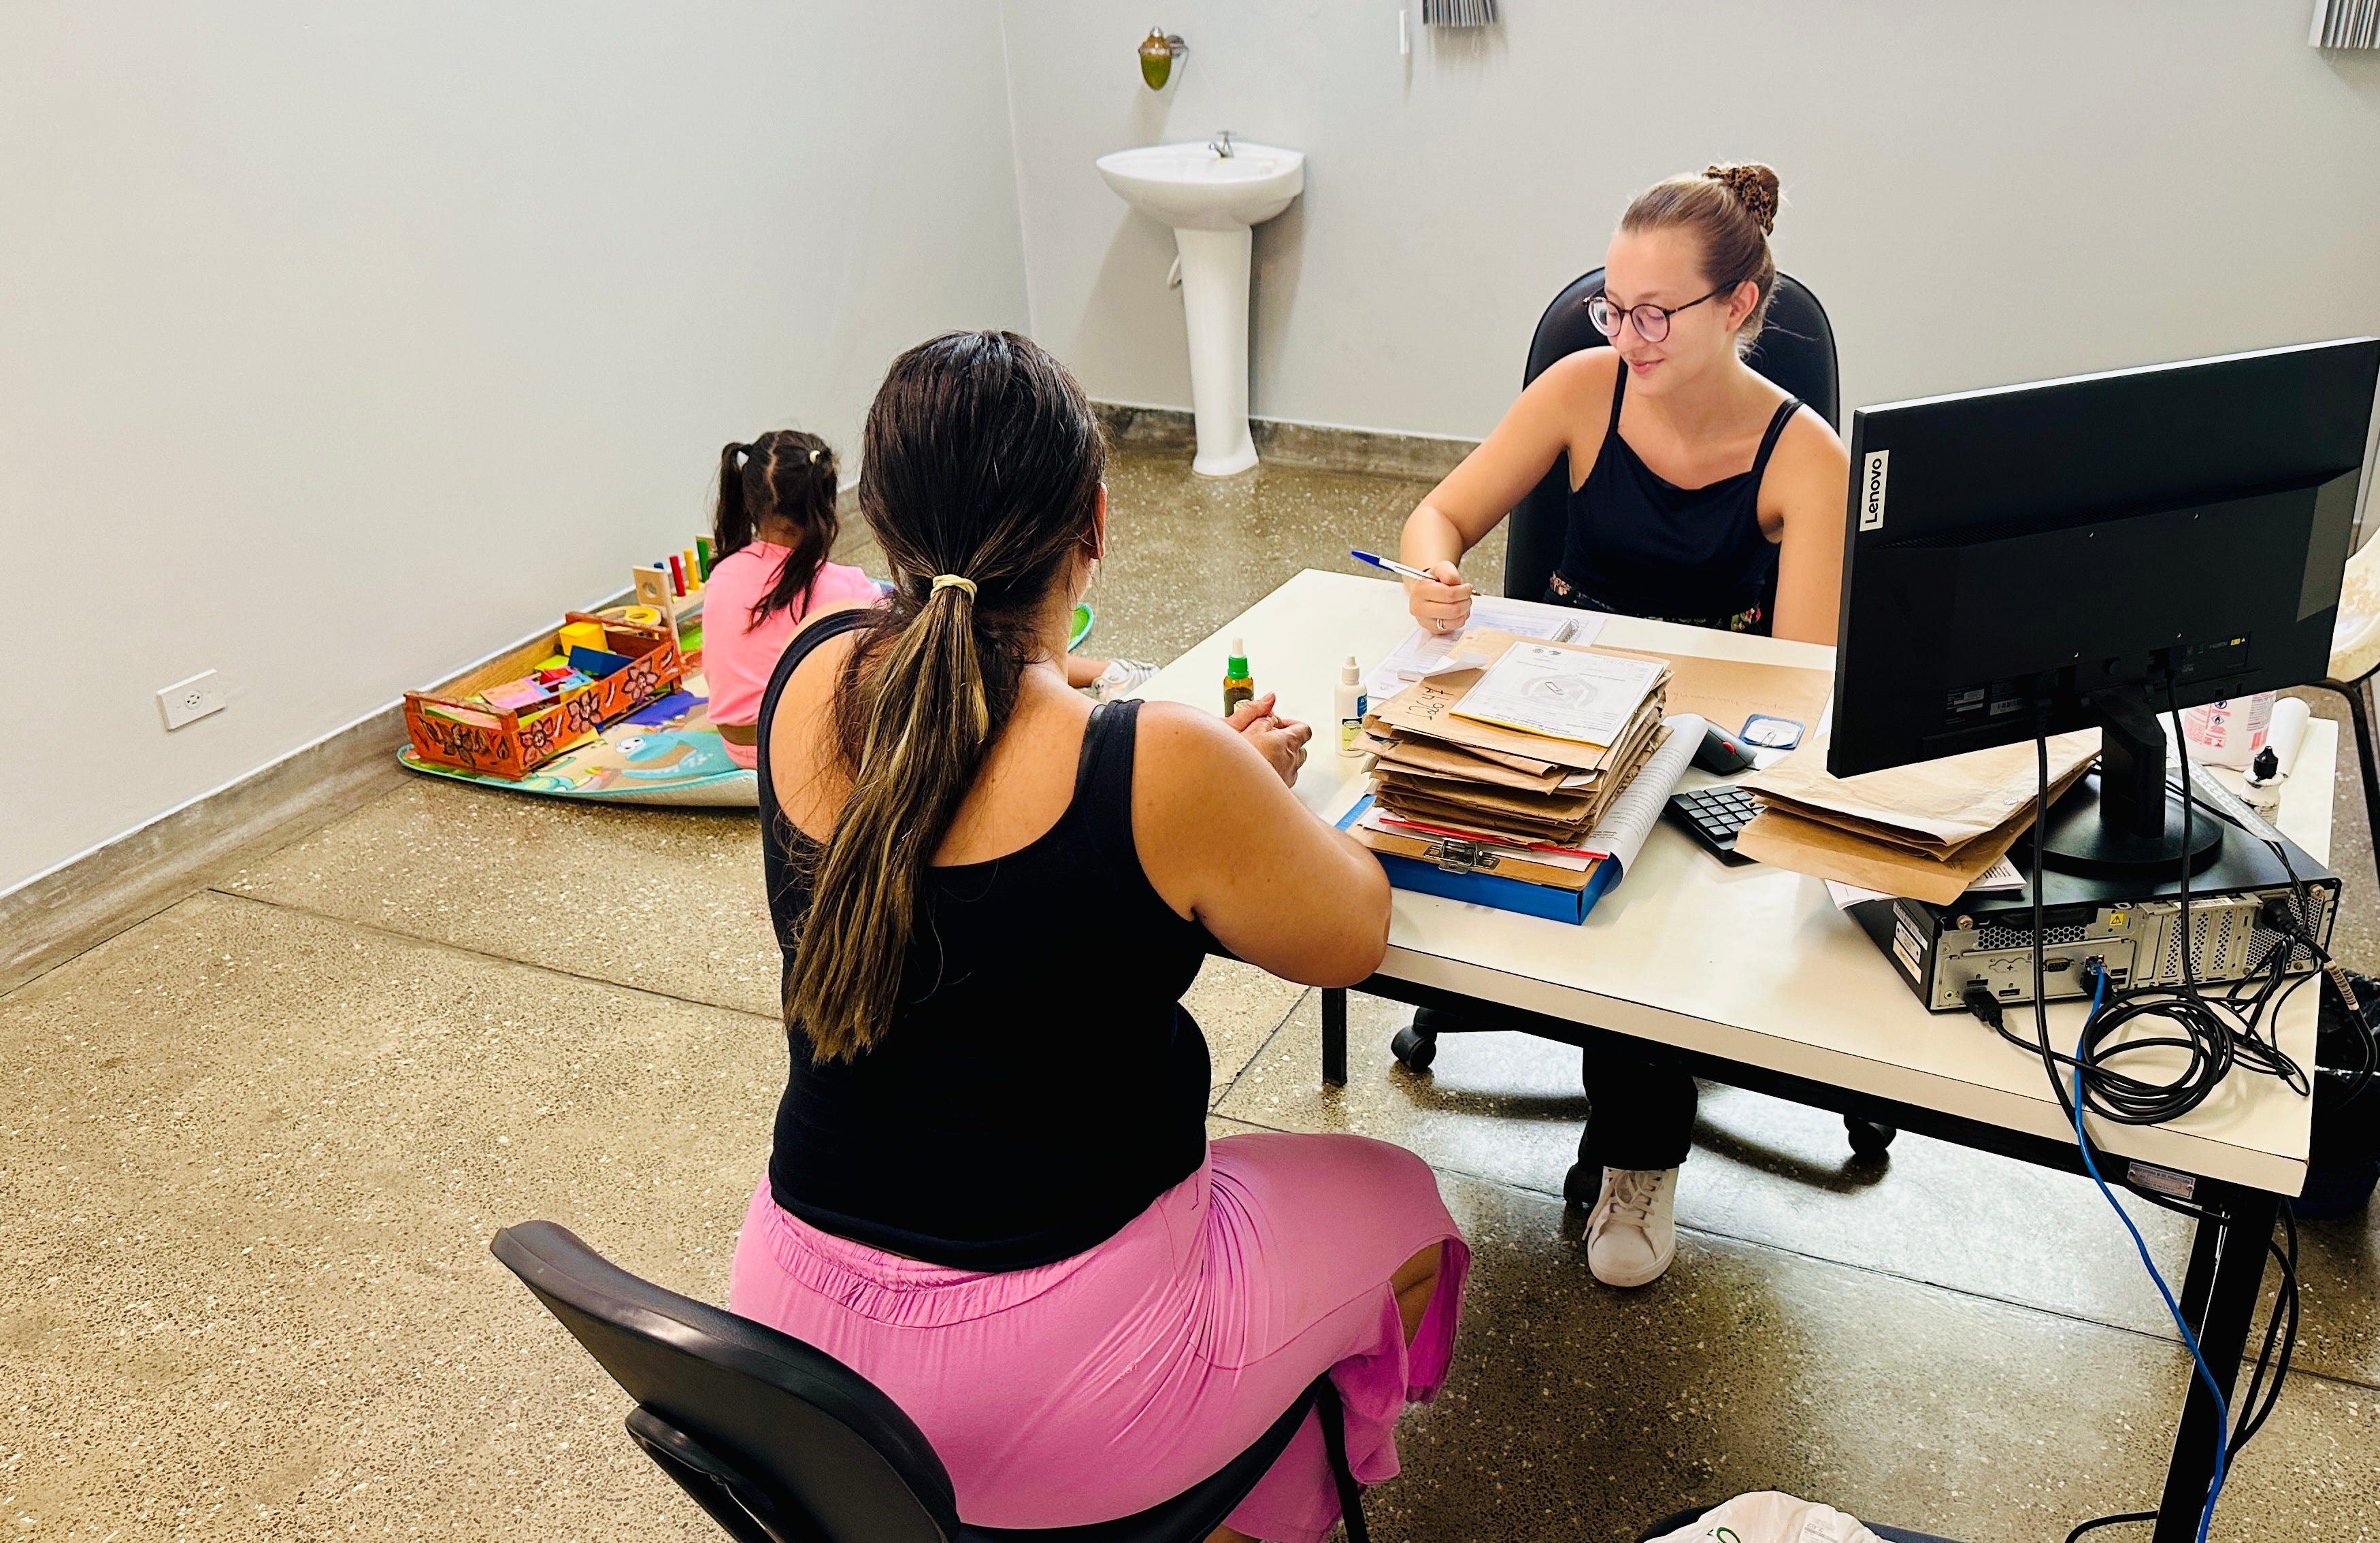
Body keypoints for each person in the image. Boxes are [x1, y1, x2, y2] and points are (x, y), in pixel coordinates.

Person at [728, 331, 1468, 1543]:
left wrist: (1204, 775)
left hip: (793, 1348)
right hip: (1043, 1383)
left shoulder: (809, 675)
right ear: (1097, 523)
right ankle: (1243, 1502)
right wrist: (1242, 788)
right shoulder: (1158, 762)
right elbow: (1351, 931)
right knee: (1406, 1201)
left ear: (882, 522)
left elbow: (957, 738)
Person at [1392, 163, 1849, 1289]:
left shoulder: (1806, 460)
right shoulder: (1579, 389)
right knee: (1415, 802)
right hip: (1562, 714)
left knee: (1650, 895)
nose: (1628, 336)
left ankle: (1640, 1154)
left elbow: (1798, 686)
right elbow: (1440, 511)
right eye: (1614, 308)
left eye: (1656, 314)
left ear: (1736, 306)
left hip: (1702, 741)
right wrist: (1432, 570)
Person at [701, 429, 1151, 770]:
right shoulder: (839, 587)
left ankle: (1104, 673)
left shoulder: (722, 575)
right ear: (828, 505)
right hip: (800, 746)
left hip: (737, 742)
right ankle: (1108, 672)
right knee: (966, 648)